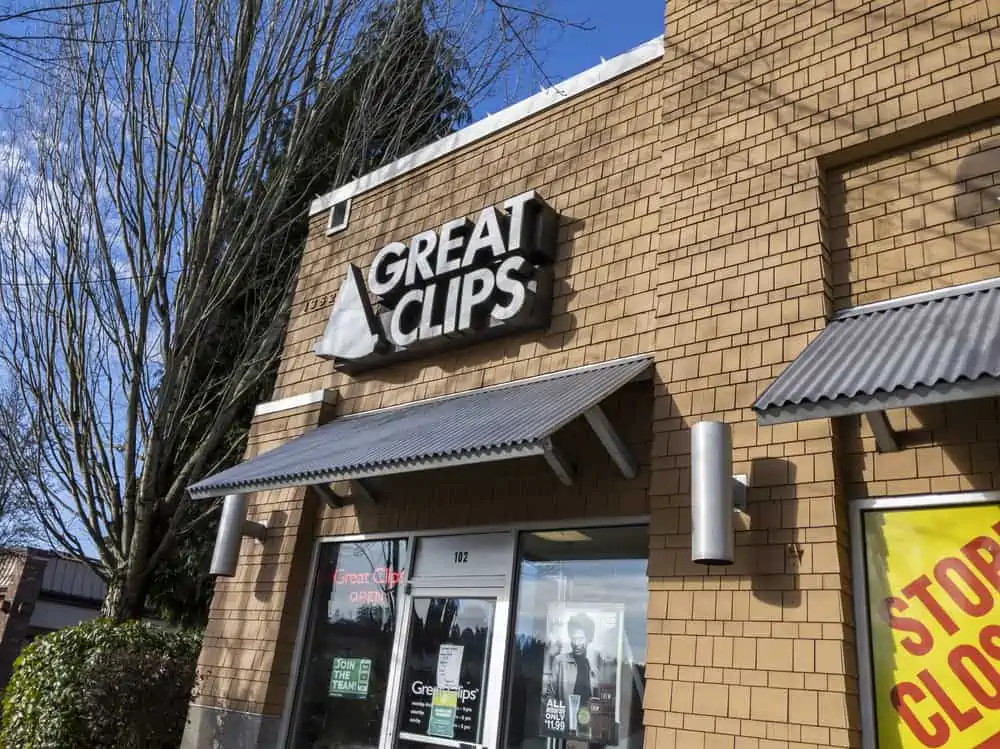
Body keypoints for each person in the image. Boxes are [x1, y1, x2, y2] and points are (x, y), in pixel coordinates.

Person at [543, 612, 600, 714]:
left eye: (581, 639)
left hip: (587, 724)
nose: (577, 643)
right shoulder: (559, 662)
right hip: (565, 724)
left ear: (588, 639)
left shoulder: (593, 667)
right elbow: (549, 697)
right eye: (574, 639)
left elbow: (598, 701)